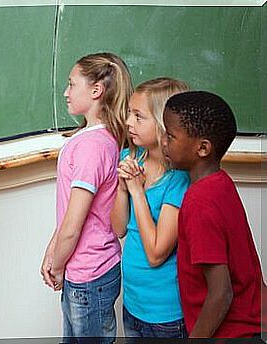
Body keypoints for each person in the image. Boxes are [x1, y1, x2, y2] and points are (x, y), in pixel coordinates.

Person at [40, 52, 133, 343]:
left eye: (71, 84)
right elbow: (70, 211)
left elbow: (75, 222)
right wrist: (52, 251)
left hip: (88, 277)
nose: (66, 93)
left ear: (96, 90)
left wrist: (57, 264)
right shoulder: (92, 139)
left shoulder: (93, 147)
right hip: (85, 273)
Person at [162, 90, 262, 338]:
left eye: (171, 136)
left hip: (231, 333)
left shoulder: (199, 202)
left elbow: (221, 293)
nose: (163, 141)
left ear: (203, 148)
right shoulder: (221, 183)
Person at [111, 77, 190, 340]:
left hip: (165, 313)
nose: (128, 122)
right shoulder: (130, 158)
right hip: (133, 303)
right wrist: (123, 189)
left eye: (138, 116)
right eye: (130, 114)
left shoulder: (178, 179)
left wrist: (136, 190)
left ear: (162, 124)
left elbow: (157, 253)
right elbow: (119, 228)